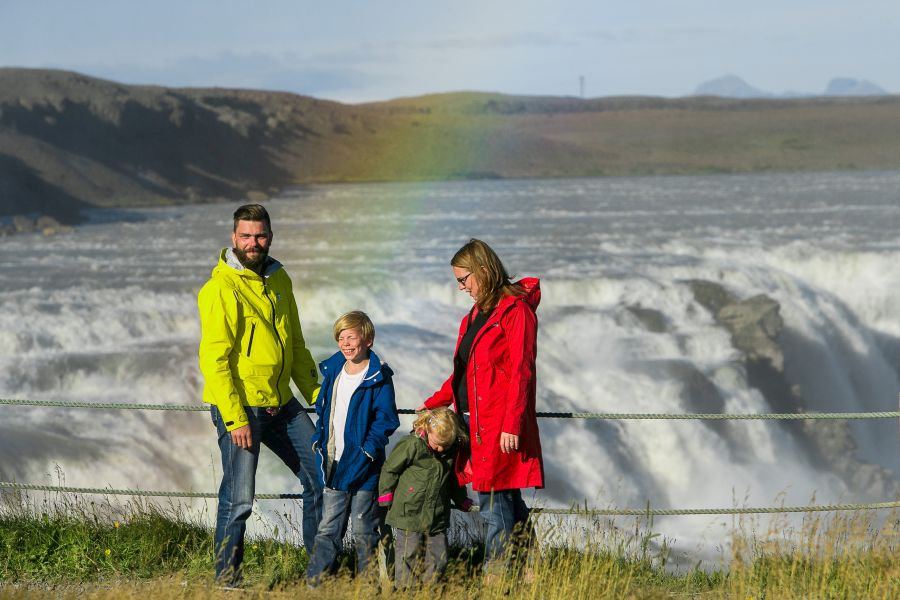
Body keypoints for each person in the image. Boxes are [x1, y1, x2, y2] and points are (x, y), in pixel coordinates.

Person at [197, 203, 323, 586]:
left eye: (261, 235)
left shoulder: (279, 278)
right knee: (239, 499)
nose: (254, 243)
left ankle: (318, 573)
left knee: (321, 477)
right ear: (234, 238)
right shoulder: (220, 288)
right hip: (243, 408)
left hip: (281, 402)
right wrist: (234, 418)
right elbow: (214, 360)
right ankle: (226, 580)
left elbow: (296, 345)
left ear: (270, 236)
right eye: (247, 236)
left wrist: (320, 396)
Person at [420, 238, 544, 575]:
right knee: (507, 501)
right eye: (458, 281)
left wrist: (512, 424)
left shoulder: (516, 312)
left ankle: (497, 575)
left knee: (493, 501)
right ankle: (531, 569)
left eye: (464, 279)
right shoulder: (474, 315)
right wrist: (432, 403)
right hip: (474, 420)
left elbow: (522, 371)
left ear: (484, 271)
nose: (461, 287)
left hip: (499, 423)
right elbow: (464, 371)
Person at [305, 311, 400, 584]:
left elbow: (386, 419)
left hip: (365, 466)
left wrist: (368, 451)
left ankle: (368, 585)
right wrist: (319, 438)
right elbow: (323, 407)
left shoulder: (378, 375)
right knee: (328, 528)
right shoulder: (334, 369)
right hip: (334, 462)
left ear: (368, 339)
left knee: (364, 529)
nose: (345, 343)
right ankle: (314, 582)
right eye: (340, 337)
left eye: (351, 337)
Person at [378, 407, 476, 588]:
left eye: (445, 445)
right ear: (428, 430)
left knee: (439, 555)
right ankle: (406, 589)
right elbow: (390, 469)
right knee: (408, 553)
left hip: (437, 514)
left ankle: (430, 589)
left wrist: (461, 499)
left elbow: (453, 479)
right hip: (409, 511)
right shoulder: (412, 444)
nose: (440, 448)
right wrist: (386, 494)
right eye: (437, 443)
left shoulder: (451, 451)